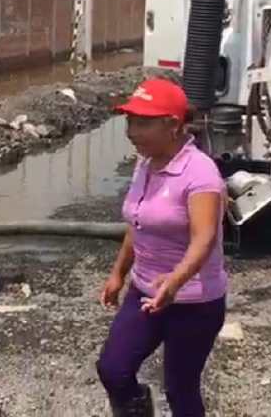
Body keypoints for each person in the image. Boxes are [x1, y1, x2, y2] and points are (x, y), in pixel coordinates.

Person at [96, 78, 228, 416]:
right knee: (113, 369)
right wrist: (118, 274)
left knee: (180, 388)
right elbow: (137, 223)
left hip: (193, 301)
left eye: (142, 123)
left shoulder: (201, 173)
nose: (130, 131)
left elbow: (205, 237)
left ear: (172, 125)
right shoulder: (146, 163)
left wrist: (175, 281)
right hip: (145, 291)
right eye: (129, 122)